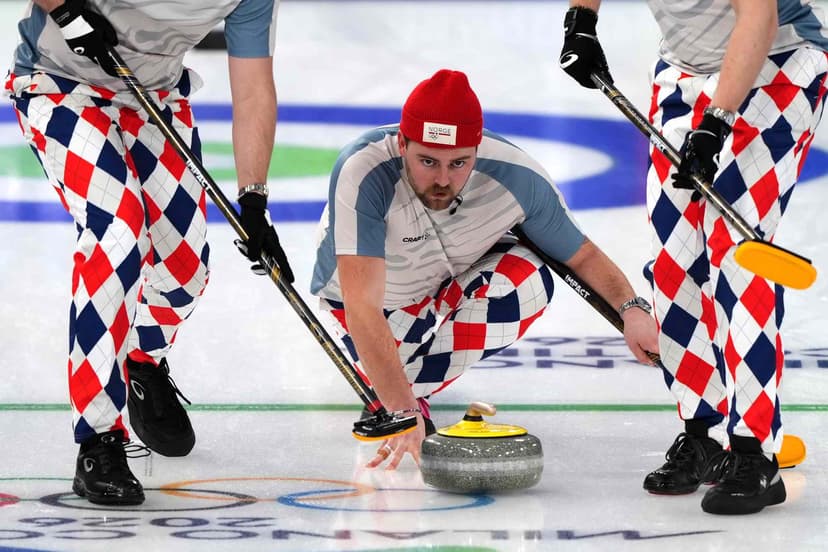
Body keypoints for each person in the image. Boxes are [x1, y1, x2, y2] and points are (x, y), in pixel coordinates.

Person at [5, 0, 293, 505]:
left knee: (185, 270)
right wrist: (67, 12)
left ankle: (140, 360)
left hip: (153, 98)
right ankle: (99, 440)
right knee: (117, 236)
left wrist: (254, 198)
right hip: (59, 82)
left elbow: (252, 91)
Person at [310, 68, 660, 470]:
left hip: (441, 288)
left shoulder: (519, 177)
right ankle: (398, 390)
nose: (443, 179)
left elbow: (580, 256)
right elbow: (362, 305)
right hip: (362, 305)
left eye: (459, 163)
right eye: (427, 161)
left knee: (529, 279)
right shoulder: (364, 170)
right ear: (402, 143)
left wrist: (631, 309)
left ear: (477, 148)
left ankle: (397, 387)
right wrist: (403, 410)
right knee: (389, 374)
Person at [559, 0, 828, 515]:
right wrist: (581, 19)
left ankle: (753, 452)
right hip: (685, 68)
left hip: (779, 61)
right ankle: (703, 432)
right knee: (674, 260)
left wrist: (716, 123)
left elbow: (759, 18)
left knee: (739, 257)